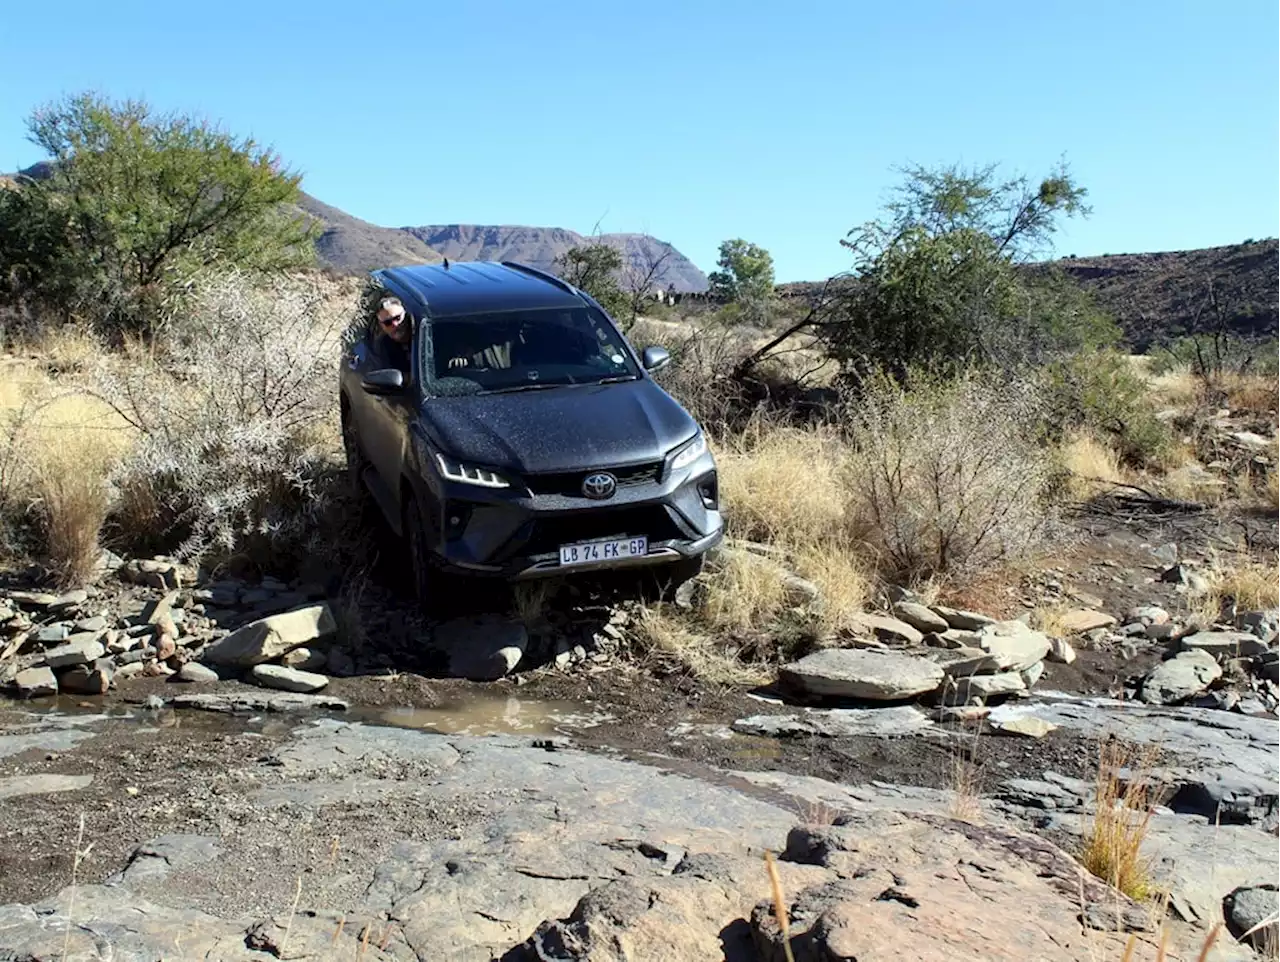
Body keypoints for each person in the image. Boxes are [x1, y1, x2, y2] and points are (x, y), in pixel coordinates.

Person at [375, 296, 413, 374]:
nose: (395, 325)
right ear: (382, 326)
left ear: (406, 315)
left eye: (398, 318)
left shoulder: (425, 335)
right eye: (387, 323)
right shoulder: (383, 346)